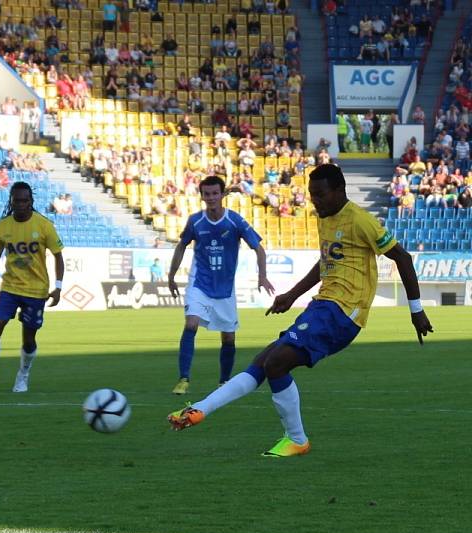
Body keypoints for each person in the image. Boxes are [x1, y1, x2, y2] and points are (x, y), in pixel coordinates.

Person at [167, 164, 434, 457]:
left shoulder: (360, 221)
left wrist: (416, 310)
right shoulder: (325, 219)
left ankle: (296, 439)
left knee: (276, 363)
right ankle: (199, 410)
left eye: (320, 195)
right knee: (264, 360)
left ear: (338, 191)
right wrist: (291, 295)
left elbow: (403, 258)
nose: (314, 201)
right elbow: (325, 264)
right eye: (311, 195)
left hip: (344, 312)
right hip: (322, 307)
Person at [167, 175, 275, 394]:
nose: (211, 198)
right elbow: (181, 246)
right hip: (200, 284)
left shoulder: (235, 220)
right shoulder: (195, 221)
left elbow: (259, 248)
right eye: (207, 194)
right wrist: (172, 274)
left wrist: (262, 275)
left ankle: (224, 381)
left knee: (228, 337)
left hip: (225, 290)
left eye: (215, 193)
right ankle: (183, 379)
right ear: (202, 196)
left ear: (223, 194)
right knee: (191, 324)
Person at [0, 182, 65, 394]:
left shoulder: (44, 225)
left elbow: (59, 257)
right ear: (11, 201)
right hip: (10, 287)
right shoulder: (3, 227)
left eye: (25, 200)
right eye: (17, 201)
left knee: (29, 338)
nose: (21, 204)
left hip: (36, 290)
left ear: (31, 201)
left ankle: (22, 377)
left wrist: (58, 287)